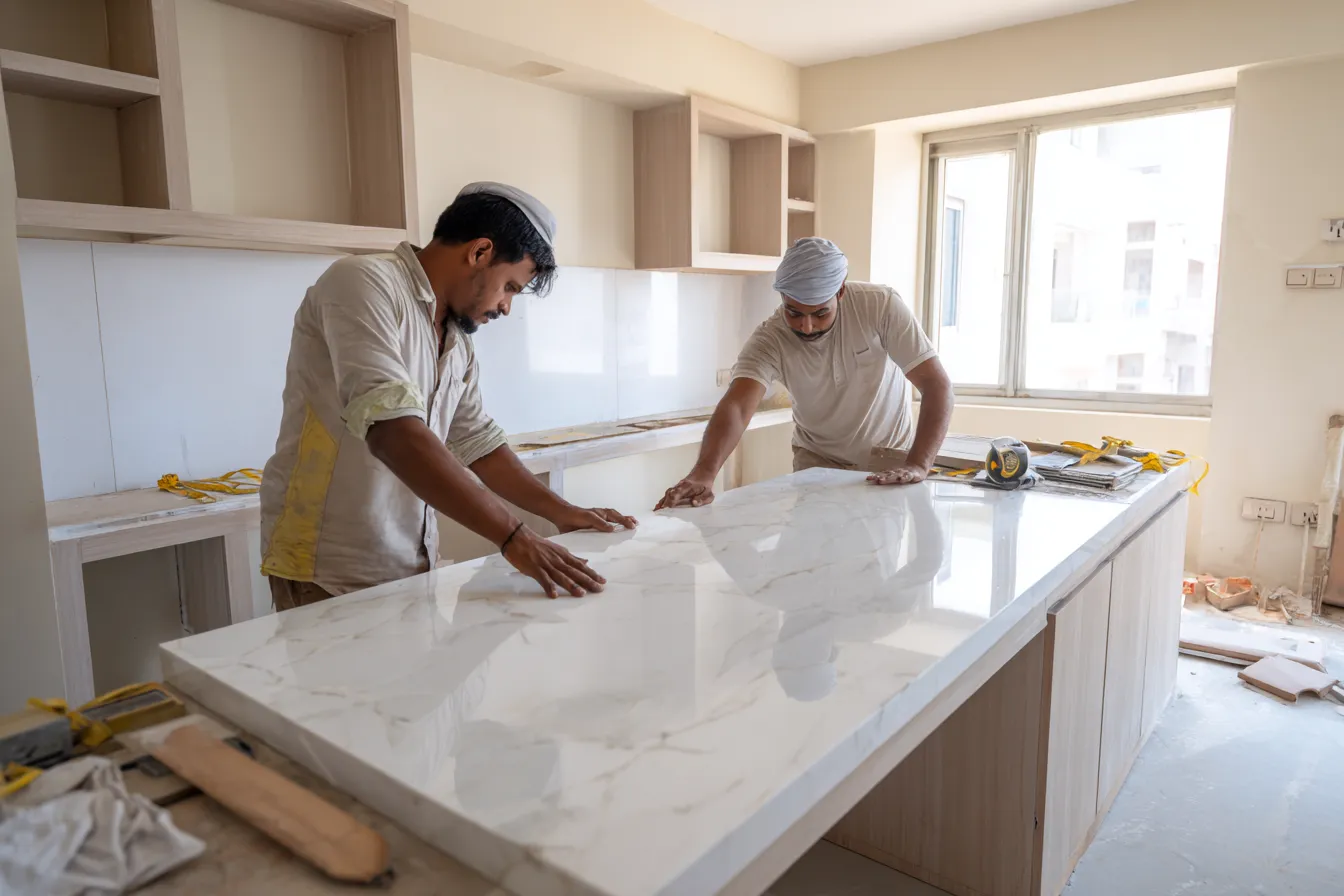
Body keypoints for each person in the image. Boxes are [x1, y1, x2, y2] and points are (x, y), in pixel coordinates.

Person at [260, 182, 636, 608]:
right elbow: (392, 432)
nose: (507, 307)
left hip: (409, 564)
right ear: (479, 253)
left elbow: (478, 442)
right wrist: (514, 537)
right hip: (328, 567)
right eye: (510, 286)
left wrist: (561, 511)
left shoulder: (456, 339)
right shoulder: (363, 282)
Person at [656, 237, 953, 510]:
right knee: (809, 556)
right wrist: (704, 474)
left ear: (841, 291)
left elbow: (935, 384)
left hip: (887, 463)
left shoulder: (880, 306)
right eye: (794, 312)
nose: (806, 327)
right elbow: (737, 405)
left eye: (820, 313)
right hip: (817, 463)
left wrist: (917, 464)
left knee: (873, 562)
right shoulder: (771, 338)